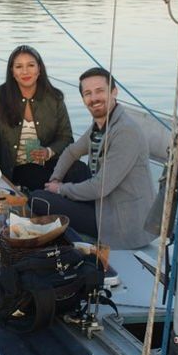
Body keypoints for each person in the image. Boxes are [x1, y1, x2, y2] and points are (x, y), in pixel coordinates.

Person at [30, 67, 157, 249]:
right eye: (88, 93)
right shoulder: (101, 125)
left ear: (114, 91)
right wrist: (55, 179)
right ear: (83, 99)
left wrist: (60, 190)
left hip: (122, 222)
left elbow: (99, 187)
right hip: (105, 203)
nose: (94, 98)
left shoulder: (125, 132)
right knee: (73, 169)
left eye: (100, 91)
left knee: (37, 199)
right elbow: (71, 152)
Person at [0, 45, 74, 192]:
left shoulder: (54, 97)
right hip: (16, 169)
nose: (25, 71)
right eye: (19, 66)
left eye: (31, 65)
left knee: (79, 170)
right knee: (33, 175)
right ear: (12, 72)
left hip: (51, 164)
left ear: (39, 69)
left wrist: (48, 152)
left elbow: (66, 137)